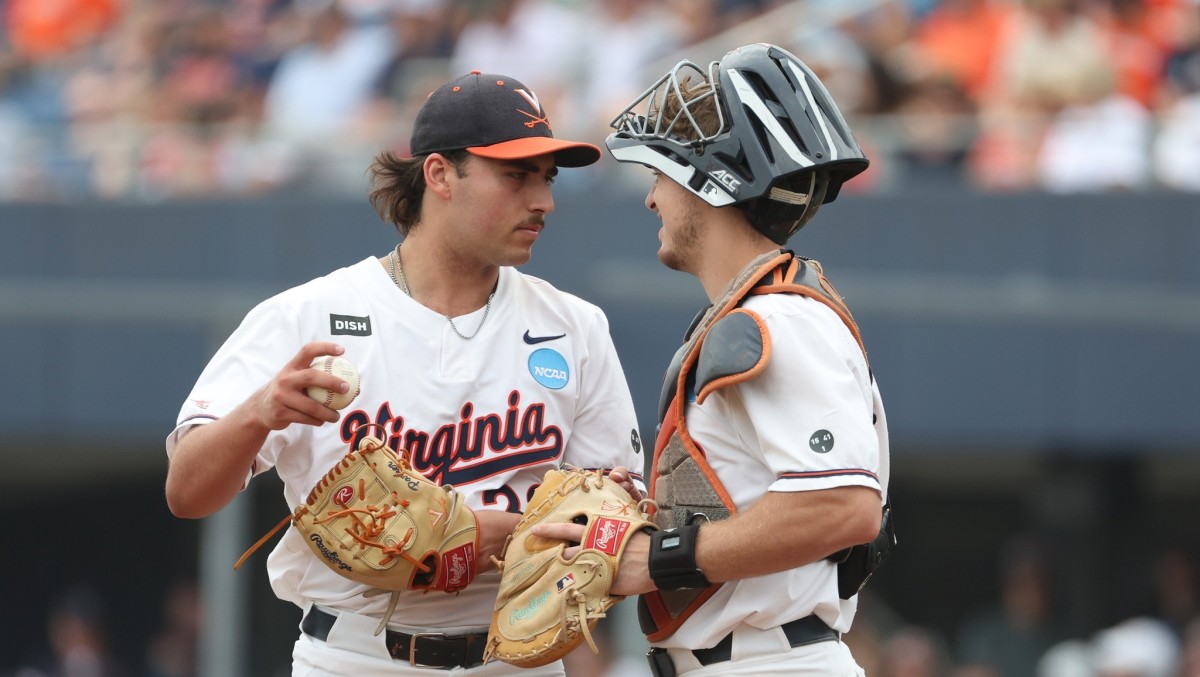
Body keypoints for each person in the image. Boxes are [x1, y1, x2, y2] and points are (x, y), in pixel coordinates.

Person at [164, 69, 646, 676]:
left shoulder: (575, 327)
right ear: (440, 174)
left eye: (547, 179)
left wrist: (505, 536)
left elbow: (615, 520)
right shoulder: (307, 315)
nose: (544, 201)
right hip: (355, 654)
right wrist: (258, 415)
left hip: (516, 656)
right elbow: (186, 491)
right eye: (516, 175)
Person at [538, 43, 892, 675]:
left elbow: (842, 507)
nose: (651, 200)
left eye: (660, 176)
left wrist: (653, 557)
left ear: (708, 181)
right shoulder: (759, 311)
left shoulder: (778, 318)